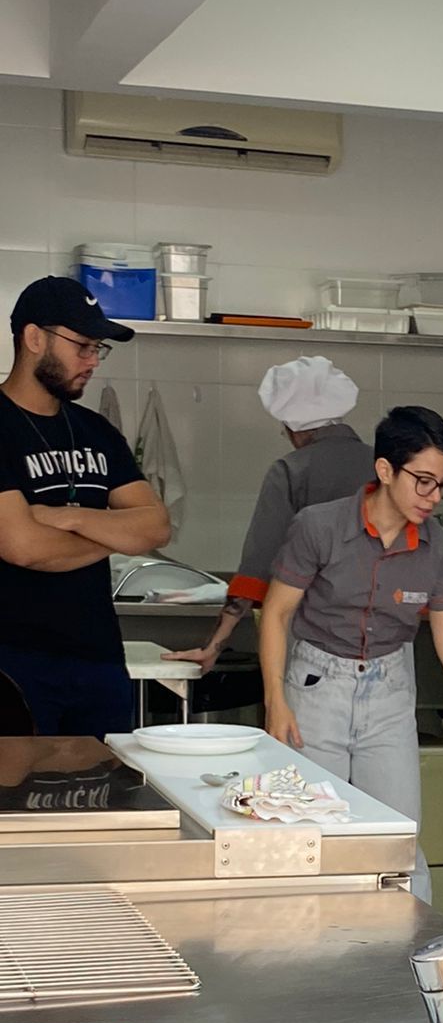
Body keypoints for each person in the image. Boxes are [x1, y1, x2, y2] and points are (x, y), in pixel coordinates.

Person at [259, 404, 443, 902]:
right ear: (385, 470)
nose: (432, 497)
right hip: (315, 687)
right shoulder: (318, 527)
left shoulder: (439, 549)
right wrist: (277, 702)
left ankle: (405, 966)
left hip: (389, 691)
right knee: (306, 834)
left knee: (397, 841)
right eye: (422, 481)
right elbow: (276, 615)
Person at [0, 277, 171, 737]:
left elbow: (156, 527)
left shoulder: (95, 430)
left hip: (97, 659)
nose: (93, 361)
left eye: (99, 348)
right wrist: (114, 533)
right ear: (34, 338)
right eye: (83, 346)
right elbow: (23, 546)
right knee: (16, 805)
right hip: (12, 663)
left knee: (102, 800)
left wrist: (71, 517)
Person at [167, 356, 375, 674]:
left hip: (315, 642)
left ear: (292, 427)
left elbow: (258, 565)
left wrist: (214, 645)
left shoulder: (292, 470)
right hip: (385, 643)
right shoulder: (388, 467)